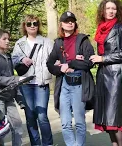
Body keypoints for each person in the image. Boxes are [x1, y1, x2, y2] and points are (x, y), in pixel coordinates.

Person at [46, 11, 95, 146]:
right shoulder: (58, 43)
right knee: (65, 122)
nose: (70, 23)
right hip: (64, 84)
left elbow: (90, 62)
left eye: (72, 20)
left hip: (79, 83)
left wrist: (71, 63)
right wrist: (60, 68)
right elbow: (50, 64)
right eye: (67, 21)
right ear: (61, 24)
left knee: (79, 121)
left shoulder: (83, 40)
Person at [90, 0, 122, 146]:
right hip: (102, 75)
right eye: (108, 8)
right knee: (107, 119)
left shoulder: (121, 28)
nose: (111, 11)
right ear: (102, 10)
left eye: (113, 8)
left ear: (117, 11)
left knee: (115, 118)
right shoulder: (101, 28)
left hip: (115, 76)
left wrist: (102, 58)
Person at [12, 14, 54, 146]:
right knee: (30, 117)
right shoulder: (20, 43)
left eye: (35, 23)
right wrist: (21, 59)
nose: (32, 26)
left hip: (41, 83)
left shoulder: (47, 42)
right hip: (26, 84)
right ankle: (35, 144)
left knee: (42, 116)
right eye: (29, 24)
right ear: (25, 26)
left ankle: (47, 144)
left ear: (38, 25)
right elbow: (12, 60)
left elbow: (53, 60)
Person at [0, 29, 25, 146]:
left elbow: (11, 78)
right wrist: (17, 79)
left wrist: (20, 99)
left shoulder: (8, 57)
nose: (8, 41)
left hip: (9, 97)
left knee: (18, 127)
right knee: (0, 131)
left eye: (8, 39)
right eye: (4, 39)